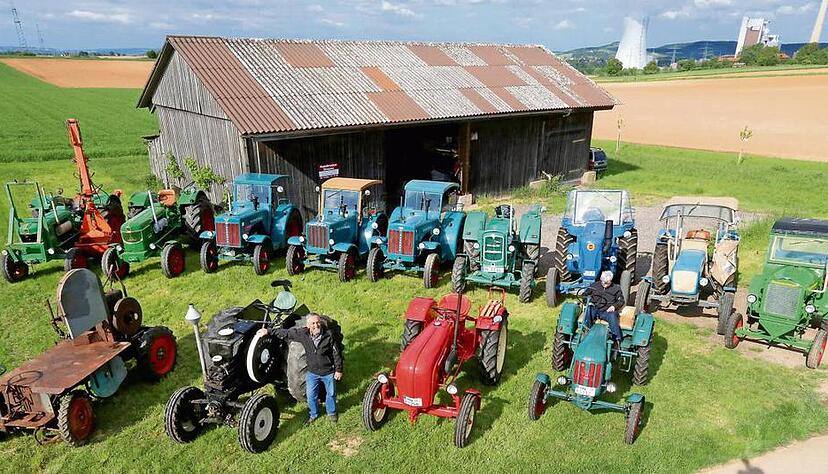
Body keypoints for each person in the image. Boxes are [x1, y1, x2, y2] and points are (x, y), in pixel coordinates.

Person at [256, 313, 343, 424]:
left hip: (327, 372)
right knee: (311, 396)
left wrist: (338, 370)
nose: (316, 325)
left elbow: (336, 354)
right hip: (313, 373)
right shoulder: (303, 334)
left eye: (318, 323)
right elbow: (287, 333)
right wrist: (268, 331)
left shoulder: (329, 335)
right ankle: (313, 414)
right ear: (307, 325)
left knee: (331, 394)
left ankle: (332, 413)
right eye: (313, 323)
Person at [585, 270, 626, 344]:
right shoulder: (594, 285)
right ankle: (587, 330)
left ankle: (617, 338)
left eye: (607, 283)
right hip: (595, 308)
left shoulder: (616, 288)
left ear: (611, 280)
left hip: (607, 311)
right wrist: (588, 301)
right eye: (603, 282)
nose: (604, 284)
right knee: (588, 310)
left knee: (613, 315)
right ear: (601, 279)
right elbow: (585, 294)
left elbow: (621, 301)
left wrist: (614, 306)